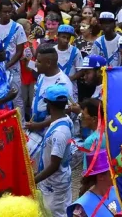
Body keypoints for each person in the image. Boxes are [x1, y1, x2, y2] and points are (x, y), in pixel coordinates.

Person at [35, 84, 74, 217]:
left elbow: (54, 165)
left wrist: (34, 180)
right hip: (54, 182)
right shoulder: (65, 119)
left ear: (49, 105)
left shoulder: (59, 133)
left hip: (55, 185)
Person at [67, 149, 121, 217]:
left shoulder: (116, 190)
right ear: (101, 177)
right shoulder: (83, 207)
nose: (116, 174)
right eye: (112, 172)